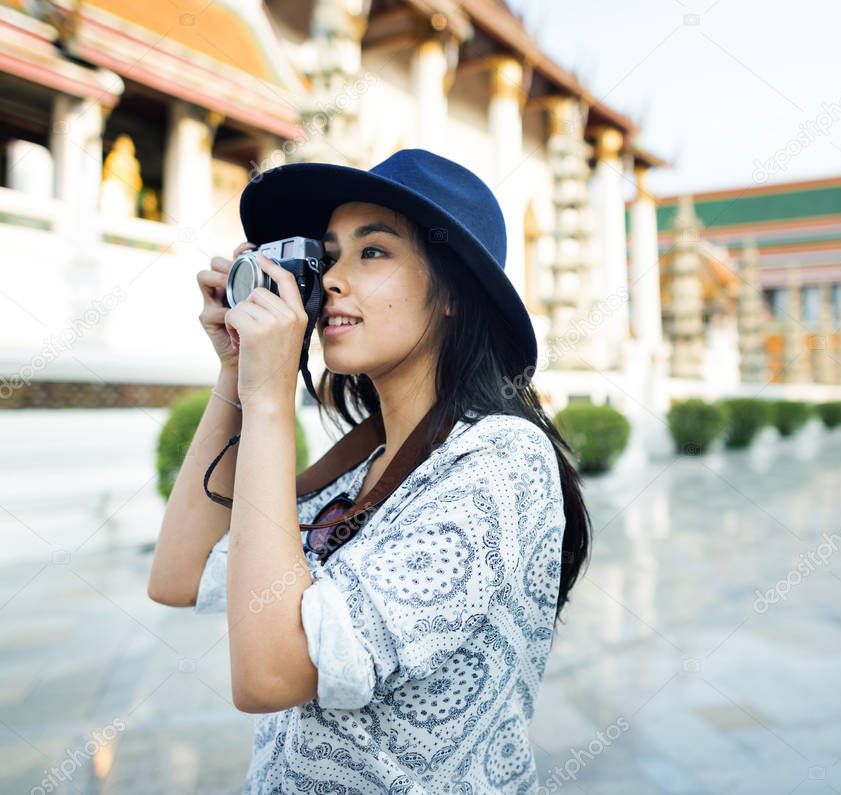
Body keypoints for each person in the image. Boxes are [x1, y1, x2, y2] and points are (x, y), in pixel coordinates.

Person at [148, 148, 592, 793]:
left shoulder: (501, 462)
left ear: (453, 295)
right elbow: (177, 576)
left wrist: (272, 399)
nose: (330, 279)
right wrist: (235, 373)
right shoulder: (359, 461)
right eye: (327, 255)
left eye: (373, 252)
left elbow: (270, 676)